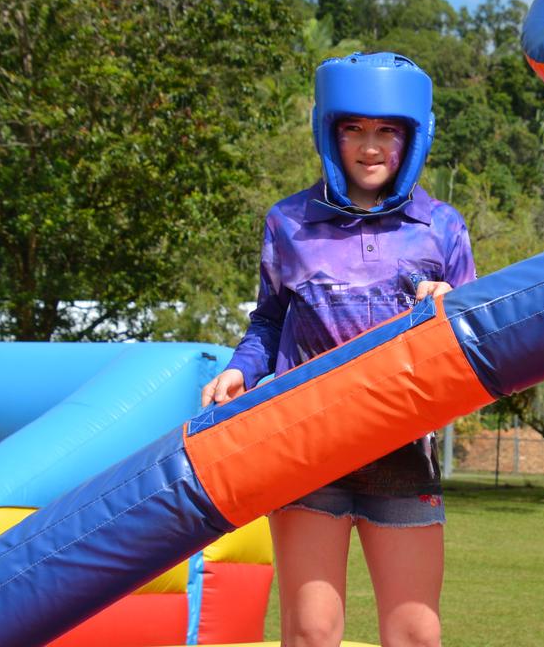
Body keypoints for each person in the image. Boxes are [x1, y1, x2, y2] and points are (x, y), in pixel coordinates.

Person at [201, 52, 475, 647]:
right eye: (353, 128)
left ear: (412, 137)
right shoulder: (288, 222)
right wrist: (238, 370)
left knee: (416, 636)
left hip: (403, 455)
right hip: (306, 449)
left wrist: (450, 307)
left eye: (387, 131)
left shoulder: (443, 227)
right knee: (311, 633)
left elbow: (479, 347)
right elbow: (269, 320)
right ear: (329, 130)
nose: (369, 146)